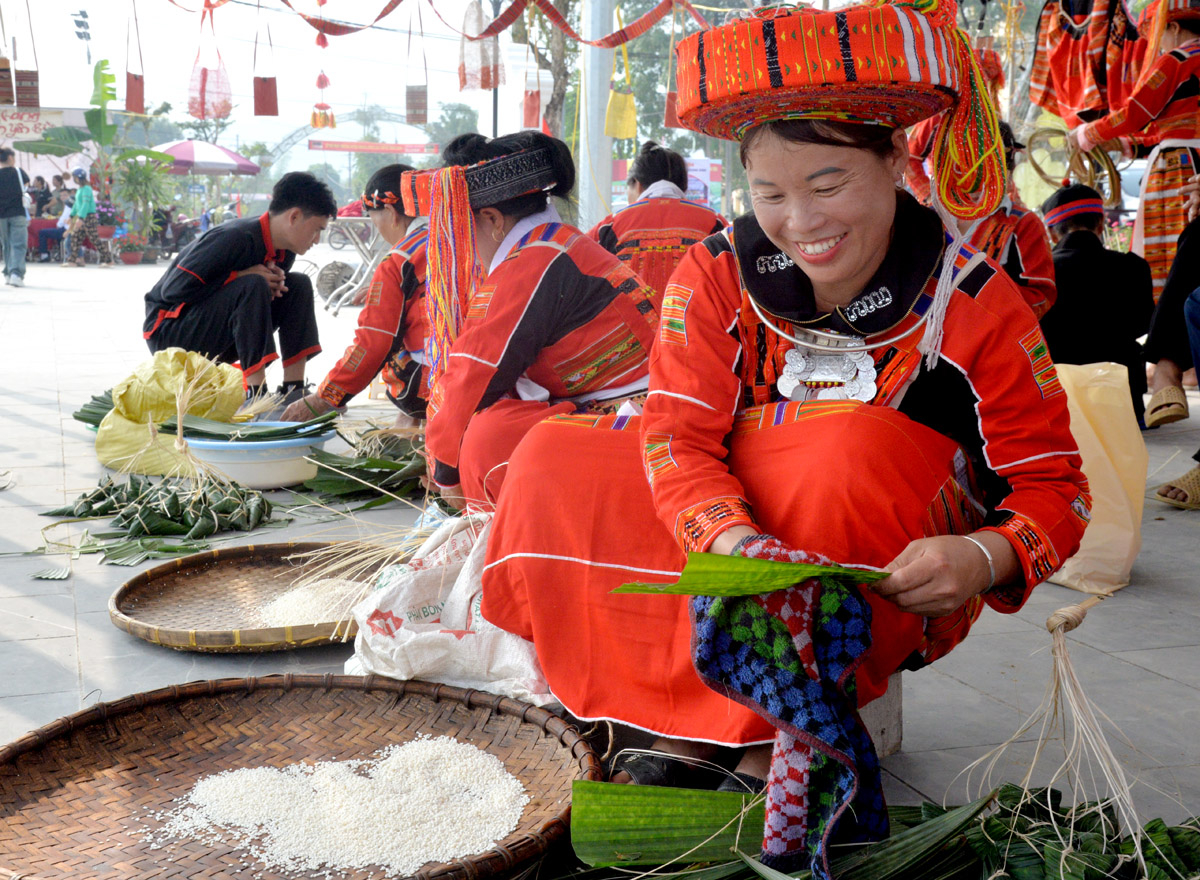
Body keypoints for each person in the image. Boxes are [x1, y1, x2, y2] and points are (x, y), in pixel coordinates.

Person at [479, 2, 1088, 875]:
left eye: (828, 184)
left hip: (885, 548)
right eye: (770, 193)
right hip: (739, 528)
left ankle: (776, 739)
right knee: (550, 455)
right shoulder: (719, 269)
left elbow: (1057, 488)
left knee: (847, 453)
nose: (800, 221)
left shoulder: (974, 299)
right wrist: (730, 540)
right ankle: (663, 721)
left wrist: (984, 556)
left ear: (894, 162)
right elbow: (677, 437)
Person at [403, 131, 661, 509]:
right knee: (484, 425)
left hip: (636, 424)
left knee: (486, 441)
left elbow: (473, 372)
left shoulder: (535, 259)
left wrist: (445, 472)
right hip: (637, 409)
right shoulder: (552, 243)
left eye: (460, 231)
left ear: (491, 218)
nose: (462, 248)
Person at [143, 171, 335, 401]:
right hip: (170, 334)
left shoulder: (286, 252)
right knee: (253, 284)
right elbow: (172, 290)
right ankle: (256, 397)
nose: (316, 239)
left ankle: (293, 390)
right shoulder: (233, 237)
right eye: (316, 230)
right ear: (294, 217)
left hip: (217, 334)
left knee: (298, 285)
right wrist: (240, 276)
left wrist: (274, 286)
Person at [279, 165, 431, 425]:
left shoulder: (399, 260)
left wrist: (325, 398)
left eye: (374, 220)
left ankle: (418, 418)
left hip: (437, 385)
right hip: (486, 373)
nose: (379, 231)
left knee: (390, 349)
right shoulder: (458, 237)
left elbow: (373, 343)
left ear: (392, 213)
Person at [1071, 0, 1200, 304]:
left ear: (1173, 27)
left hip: (1178, 170)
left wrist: (1088, 134)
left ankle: (1172, 331)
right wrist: (1134, 144)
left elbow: (1135, 112)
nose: (1157, 46)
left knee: (1174, 258)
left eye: (1159, 34)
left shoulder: (1177, 60)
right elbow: (1180, 122)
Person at [1039, 184, 1154, 422]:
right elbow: (1143, 324)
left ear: (1051, 233)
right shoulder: (1133, 267)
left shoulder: (1041, 274)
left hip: (1061, 400)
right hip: (1122, 400)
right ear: (1100, 225)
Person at [587, 140, 726, 298]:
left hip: (629, 322)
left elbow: (577, 265)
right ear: (684, 187)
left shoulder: (610, 227)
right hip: (694, 321)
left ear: (637, 185)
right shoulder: (715, 223)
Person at [961, 122, 1058, 317]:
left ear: (1006, 170)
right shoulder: (932, 220)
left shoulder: (1023, 224)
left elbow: (1040, 297)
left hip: (991, 339)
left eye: (985, 168)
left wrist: (983, 296)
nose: (973, 178)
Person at [63, 167, 111, 267]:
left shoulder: (87, 189)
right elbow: (77, 204)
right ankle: (72, 261)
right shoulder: (80, 190)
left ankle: (108, 260)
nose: (74, 179)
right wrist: (71, 216)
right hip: (82, 216)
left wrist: (81, 218)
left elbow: (85, 204)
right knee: (75, 238)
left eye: (75, 177)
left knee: (95, 239)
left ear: (78, 178)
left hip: (88, 217)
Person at [0, 148, 30, 288]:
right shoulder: (19, 172)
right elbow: (25, 187)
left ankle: (7, 273)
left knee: (6, 244)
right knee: (18, 244)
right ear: (10, 158)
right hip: (18, 212)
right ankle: (16, 274)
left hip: (1, 215)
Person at [37, 196, 73, 262]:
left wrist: (58, 225)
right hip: (71, 230)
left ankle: (44, 255)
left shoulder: (68, 208)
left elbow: (61, 222)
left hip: (65, 230)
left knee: (42, 232)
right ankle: (60, 253)